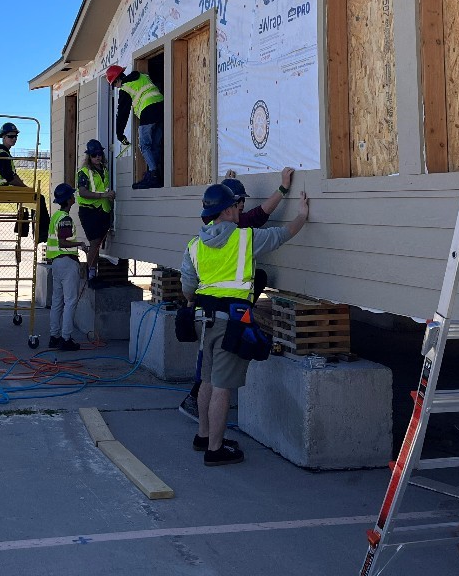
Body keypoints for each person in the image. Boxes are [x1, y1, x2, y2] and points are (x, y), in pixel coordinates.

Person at [181, 182, 310, 466]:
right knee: (223, 386)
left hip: (203, 320)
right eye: (236, 205)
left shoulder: (194, 245)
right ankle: (215, 450)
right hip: (232, 322)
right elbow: (284, 234)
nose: (240, 209)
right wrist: (301, 214)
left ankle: (203, 436)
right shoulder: (245, 239)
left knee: (205, 380)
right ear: (227, 210)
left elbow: (188, 291)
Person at [106, 64, 164, 189]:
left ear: (117, 80)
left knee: (144, 145)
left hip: (148, 112)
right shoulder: (142, 76)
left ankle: (154, 175)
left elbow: (122, 114)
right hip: (162, 109)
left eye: (114, 84)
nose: (115, 87)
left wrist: (119, 134)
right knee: (155, 145)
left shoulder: (125, 88)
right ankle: (156, 173)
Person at [46, 183, 83, 351]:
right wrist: (81, 243)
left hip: (56, 263)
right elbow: (63, 241)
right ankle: (66, 338)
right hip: (67, 262)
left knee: (57, 302)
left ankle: (54, 336)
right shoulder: (66, 218)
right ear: (68, 200)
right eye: (72, 196)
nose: (74, 197)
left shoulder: (56, 216)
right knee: (70, 301)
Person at [75, 138, 117, 284]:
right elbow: (83, 192)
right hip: (89, 211)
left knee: (98, 243)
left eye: (99, 154)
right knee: (94, 243)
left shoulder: (104, 170)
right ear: (89, 156)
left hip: (103, 210)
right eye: (94, 155)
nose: (97, 157)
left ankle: (93, 271)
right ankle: (91, 274)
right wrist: (103, 195)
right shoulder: (84, 172)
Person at [0, 122, 27, 187]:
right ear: (3, 137)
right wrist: (25, 188)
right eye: (11, 136)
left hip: (1, 188)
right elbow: (10, 178)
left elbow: (13, 175)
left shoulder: (5, 153)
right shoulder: (2, 154)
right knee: (39, 197)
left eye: (16, 136)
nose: (14, 139)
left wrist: (24, 186)